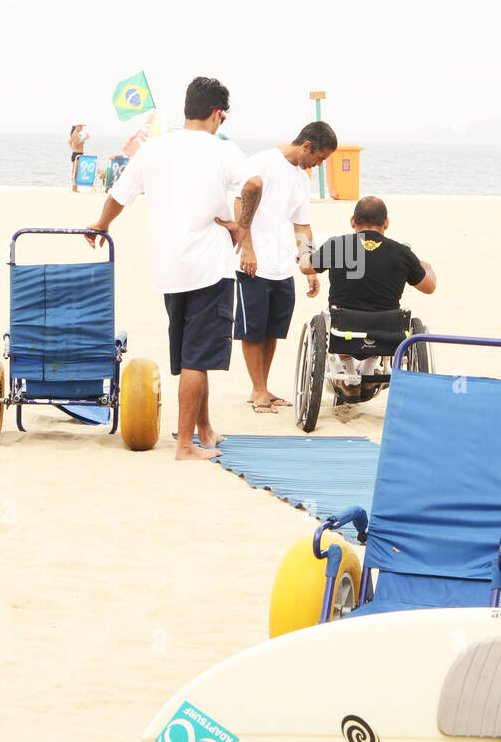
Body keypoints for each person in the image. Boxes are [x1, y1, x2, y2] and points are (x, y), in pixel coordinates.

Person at [84, 78, 263, 461]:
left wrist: (102, 224)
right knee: (198, 359)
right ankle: (185, 446)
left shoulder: (153, 149)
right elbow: (254, 183)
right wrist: (243, 226)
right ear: (218, 115)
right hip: (210, 269)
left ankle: (205, 430)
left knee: (191, 356)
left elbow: (119, 195)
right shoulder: (221, 150)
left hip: (169, 269)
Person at [234, 122, 338, 411]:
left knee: (272, 330)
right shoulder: (264, 162)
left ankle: (263, 388)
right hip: (253, 262)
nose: (318, 165)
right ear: (307, 145)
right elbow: (240, 203)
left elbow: (302, 224)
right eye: (320, 158)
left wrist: (310, 266)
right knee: (252, 330)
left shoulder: (301, 179)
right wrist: (248, 249)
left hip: (282, 265)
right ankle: (257, 391)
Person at [300, 195, 436, 402]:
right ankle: (370, 368)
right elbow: (429, 287)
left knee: (334, 314)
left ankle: (347, 371)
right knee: (381, 317)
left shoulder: (338, 245)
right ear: (386, 222)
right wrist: (427, 267)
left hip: (343, 327)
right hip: (387, 331)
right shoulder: (401, 252)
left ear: (353, 221)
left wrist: (304, 253)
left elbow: (306, 267)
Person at [68, 124, 89, 191]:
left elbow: (69, 142)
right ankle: (74, 189)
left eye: (82, 126)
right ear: (77, 126)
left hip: (79, 153)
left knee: (77, 172)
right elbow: (76, 144)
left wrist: (73, 148)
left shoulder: (77, 134)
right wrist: (85, 138)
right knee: (75, 172)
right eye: (81, 126)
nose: (82, 128)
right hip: (76, 154)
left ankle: (75, 188)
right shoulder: (74, 134)